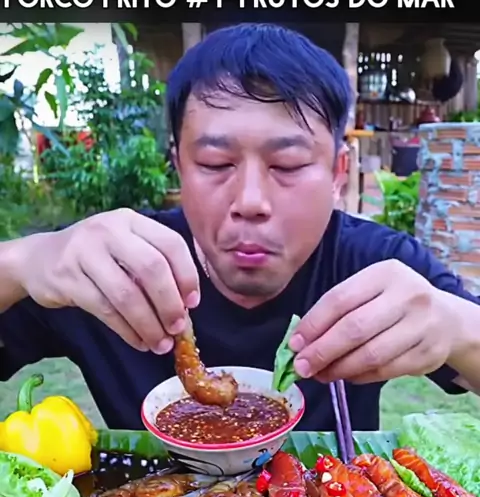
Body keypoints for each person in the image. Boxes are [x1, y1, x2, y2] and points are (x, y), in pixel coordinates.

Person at [1, 22, 480, 433]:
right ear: (179, 168)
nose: (250, 201)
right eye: (215, 163)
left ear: (338, 172)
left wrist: (457, 328)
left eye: (288, 165)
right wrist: (24, 262)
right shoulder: (110, 268)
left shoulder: (376, 264)